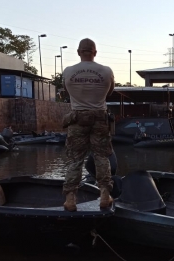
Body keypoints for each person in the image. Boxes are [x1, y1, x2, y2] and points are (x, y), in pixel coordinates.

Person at [61, 38, 115, 212]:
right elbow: (110, 91)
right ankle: (105, 196)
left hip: (77, 118)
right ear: (95, 52)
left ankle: (70, 199)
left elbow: (66, 90)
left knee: (75, 159)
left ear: (78, 52)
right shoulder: (106, 72)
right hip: (100, 118)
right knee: (101, 157)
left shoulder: (68, 72)